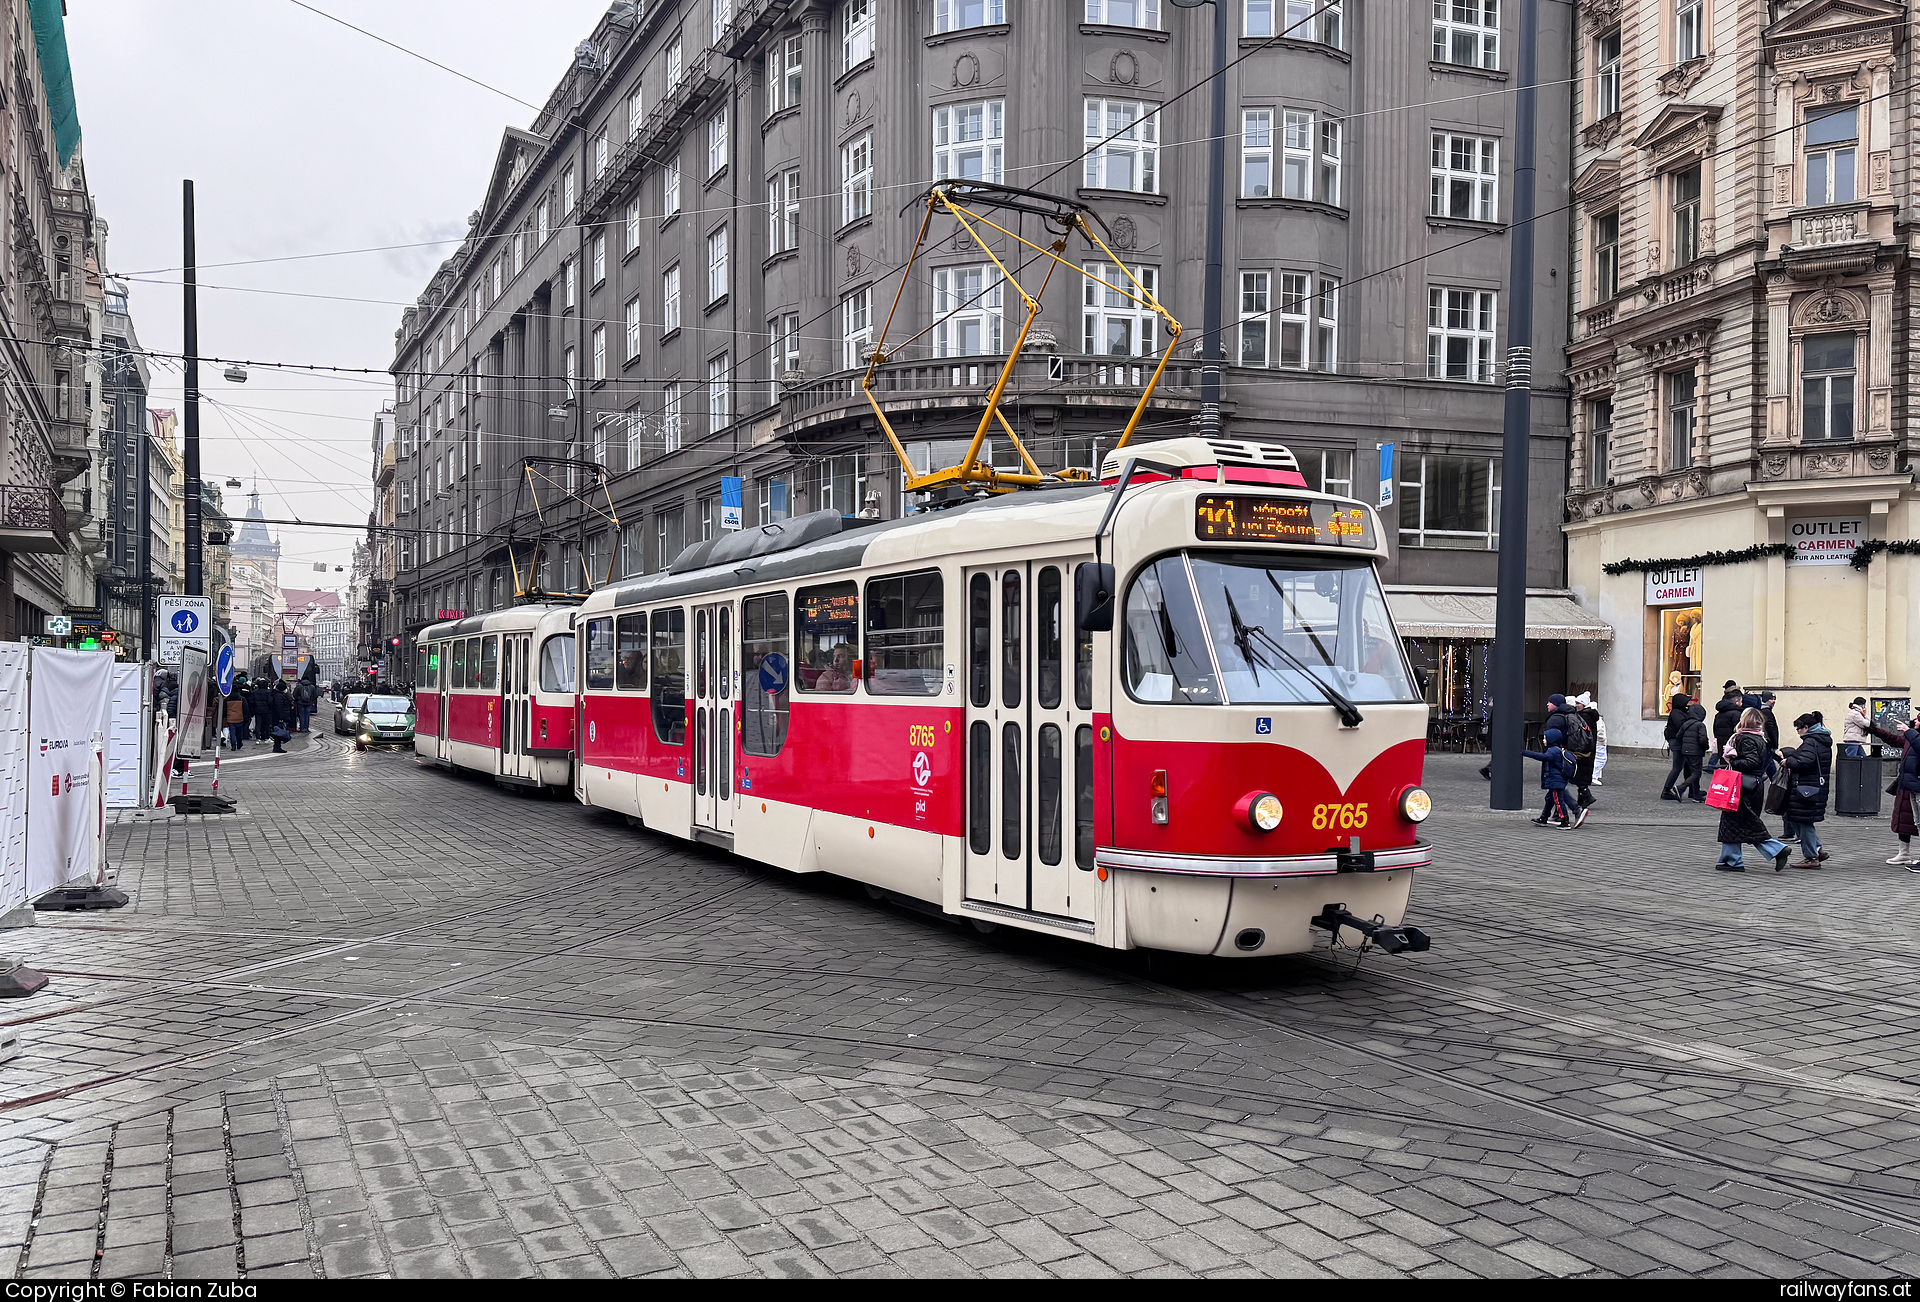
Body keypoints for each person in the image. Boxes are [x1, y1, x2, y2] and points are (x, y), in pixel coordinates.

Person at [1715, 706, 1793, 873]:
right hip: (1751, 785)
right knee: (1734, 822)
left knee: (1745, 822)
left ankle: (1776, 849)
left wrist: (1732, 761)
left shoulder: (1745, 738)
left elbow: (1752, 762)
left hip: (1743, 786)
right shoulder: (1759, 738)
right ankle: (1731, 859)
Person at [1781, 711, 1833, 869]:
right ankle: (1817, 850)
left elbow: (1805, 762)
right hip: (1816, 787)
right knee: (1802, 820)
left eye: (1798, 728)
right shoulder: (1822, 740)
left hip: (1806, 788)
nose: (1798, 732)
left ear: (1806, 727)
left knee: (1803, 822)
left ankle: (1811, 857)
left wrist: (1788, 761)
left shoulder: (1811, 741)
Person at [1867, 713, 1919, 869]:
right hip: (1907, 784)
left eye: (1918, 719)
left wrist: (1908, 731)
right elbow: (1895, 740)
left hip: (1916, 784)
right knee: (1903, 820)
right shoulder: (1912, 736)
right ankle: (1904, 853)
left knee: (1917, 821)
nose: (1915, 721)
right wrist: (1875, 730)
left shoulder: (1913, 735)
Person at [1523, 728, 1582, 828]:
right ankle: (1544, 818)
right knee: (1549, 799)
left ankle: (1565, 820)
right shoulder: (1558, 749)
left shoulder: (1552, 750)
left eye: (1545, 738)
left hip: (1556, 781)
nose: (1543, 740)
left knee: (1558, 800)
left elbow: (1544, 757)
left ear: (1552, 739)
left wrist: (1526, 753)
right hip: (1557, 780)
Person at [1571, 692, 1602, 809]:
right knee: (1581, 773)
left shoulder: (1585, 716)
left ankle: (1586, 796)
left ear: (1584, 705)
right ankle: (1582, 798)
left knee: (1581, 773)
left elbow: (1584, 734)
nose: (1576, 705)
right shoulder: (1587, 715)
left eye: (1578, 703)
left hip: (1584, 749)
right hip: (1587, 748)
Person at [1660, 691, 1692, 800]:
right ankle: (1667, 790)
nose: (1688, 705)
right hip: (1677, 742)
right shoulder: (1677, 713)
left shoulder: (1679, 712)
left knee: (1688, 766)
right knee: (1678, 767)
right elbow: (1682, 725)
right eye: (1686, 703)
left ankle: (1692, 789)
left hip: (1679, 741)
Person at [1674, 701, 1709, 801]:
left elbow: (1678, 736)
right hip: (1696, 752)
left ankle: (1696, 793)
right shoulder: (1700, 725)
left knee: (1693, 772)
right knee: (1697, 773)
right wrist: (1705, 747)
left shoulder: (1686, 724)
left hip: (1685, 751)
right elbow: (1703, 739)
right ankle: (1681, 788)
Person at [1710, 681, 1744, 771]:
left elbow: (1715, 729)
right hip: (1732, 745)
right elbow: (1738, 730)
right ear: (1736, 701)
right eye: (1741, 701)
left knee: (1724, 765)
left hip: (1722, 743)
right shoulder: (1736, 714)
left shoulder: (1719, 714)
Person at [224, 685, 248, 752]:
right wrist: (246, 717)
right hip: (240, 717)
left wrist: (225, 716)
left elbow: (225, 710)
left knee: (232, 733)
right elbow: (245, 709)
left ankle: (233, 745)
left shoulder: (227, 699)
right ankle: (239, 744)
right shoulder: (241, 699)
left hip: (230, 718)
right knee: (239, 733)